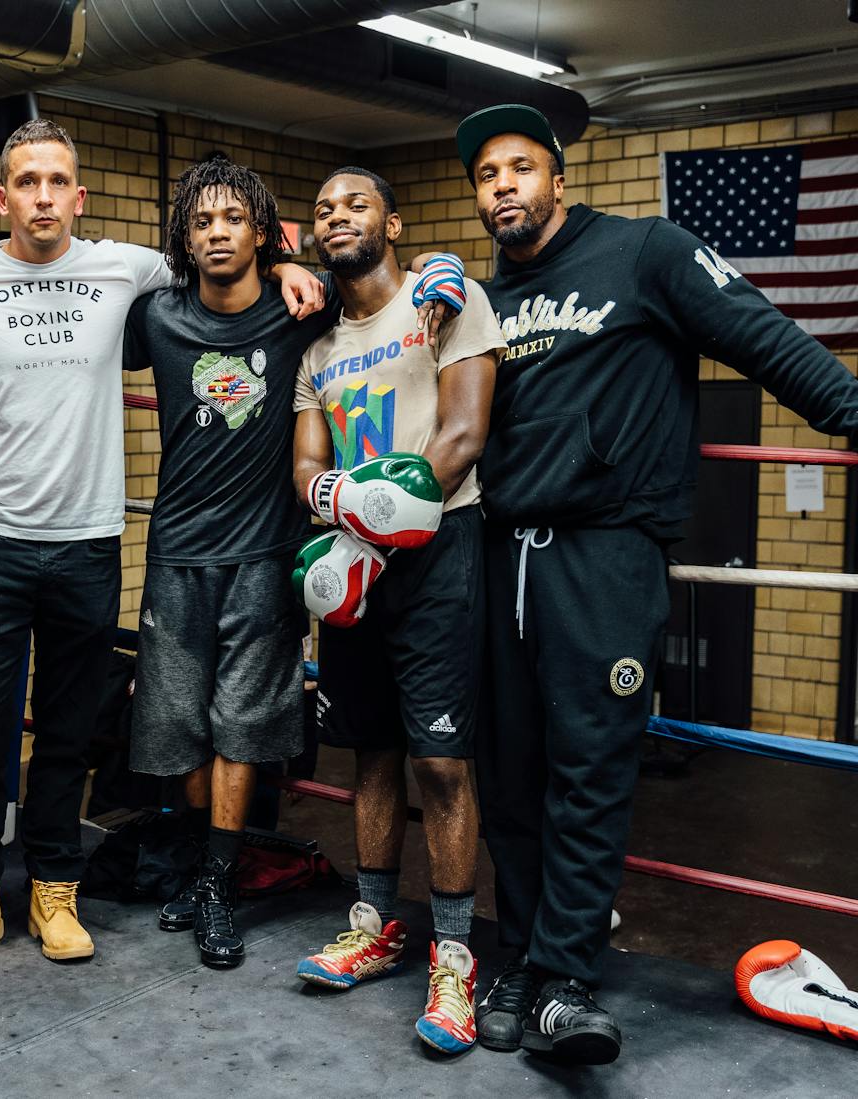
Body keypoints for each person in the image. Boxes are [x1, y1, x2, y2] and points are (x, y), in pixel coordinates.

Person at [0, 119, 326, 970]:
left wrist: (293, 263)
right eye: (26, 182)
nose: (42, 196)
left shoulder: (129, 270)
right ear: (1, 197)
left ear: (78, 197)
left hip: (87, 542)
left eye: (57, 182)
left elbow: (226, 259)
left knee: (68, 734)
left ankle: (54, 889)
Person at [449, 104, 858, 1064]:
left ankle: (565, 978)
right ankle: (521, 958)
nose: (501, 185)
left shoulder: (646, 252)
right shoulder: (479, 304)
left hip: (606, 553)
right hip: (500, 554)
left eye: (519, 166)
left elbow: (766, 339)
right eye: (484, 175)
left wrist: (852, 411)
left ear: (557, 176)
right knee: (509, 775)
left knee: (588, 774)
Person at [291, 167, 504, 1053]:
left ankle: (454, 955)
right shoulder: (316, 352)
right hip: (355, 562)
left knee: (443, 765)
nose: (338, 215)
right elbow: (307, 465)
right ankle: (376, 923)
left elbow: (461, 434)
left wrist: (387, 523)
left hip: (438, 555)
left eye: (356, 203)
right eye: (324, 209)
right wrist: (343, 506)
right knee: (369, 753)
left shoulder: (445, 301)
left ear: (393, 220)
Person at [123, 156, 342, 969]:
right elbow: (66, 326)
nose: (217, 232)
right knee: (179, 731)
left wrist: (298, 265)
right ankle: (195, 863)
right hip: (178, 550)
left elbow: (373, 275)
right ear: (185, 235)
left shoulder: (297, 312)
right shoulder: (159, 317)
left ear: (260, 231)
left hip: (262, 552)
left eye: (232, 220)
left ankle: (217, 884)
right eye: (202, 220)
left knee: (242, 729)